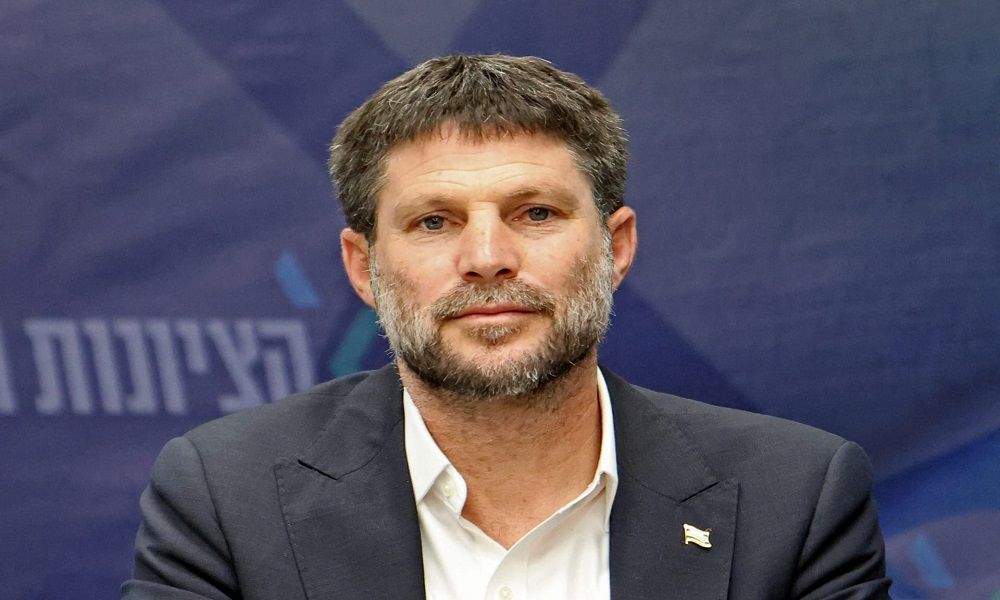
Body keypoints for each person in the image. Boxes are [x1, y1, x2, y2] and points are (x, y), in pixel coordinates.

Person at [122, 54, 891, 599]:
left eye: (536, 213)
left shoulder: (795, 497)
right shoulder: (227, 496)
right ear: (363, 268)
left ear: (616, 248)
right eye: (434, 221)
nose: (487, 258)